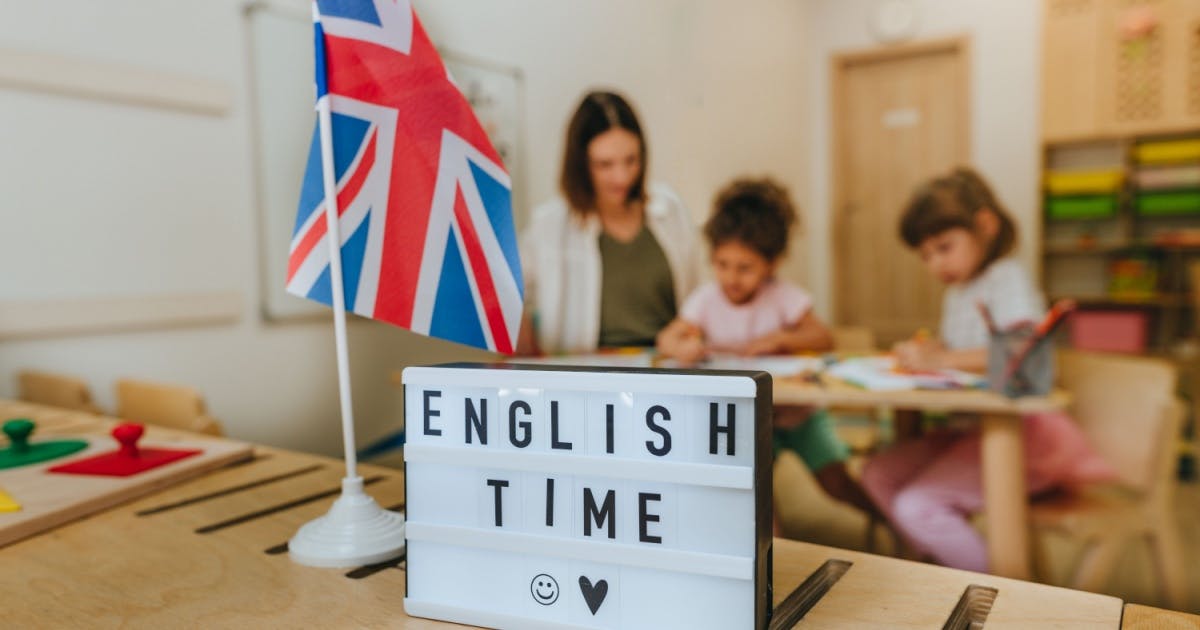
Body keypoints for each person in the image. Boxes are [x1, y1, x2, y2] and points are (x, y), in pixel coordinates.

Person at [862, 167, 1113, 572]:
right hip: (972, 430)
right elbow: (965, 353)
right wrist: (933, 351)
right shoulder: (956, 292)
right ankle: (941, 568)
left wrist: (941, 359)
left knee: (918, 505)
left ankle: (994, 598)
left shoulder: (1005, 277)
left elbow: (1022, 352)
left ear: (985, 226)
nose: (935, 263)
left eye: (944, 247)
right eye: (925, 255)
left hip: (1023, 434)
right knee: (877, 473)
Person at [657, 177, 880, 528]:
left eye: (745, 268)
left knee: (837, 484)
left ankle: (889, 523)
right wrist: (682, 346)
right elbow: (668, 338)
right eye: (722, 264)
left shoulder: (782, 295)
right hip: (749, 420)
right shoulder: (705, 300)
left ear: (772, 264)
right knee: (756, 497)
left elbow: (823, 337)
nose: (731, 277)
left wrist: (780, 339)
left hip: (799, 415)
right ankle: (770, 560)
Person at [517, 90, 704, 355]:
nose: (622, 177)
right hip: (589, 379)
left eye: (631, 160)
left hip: (666, 368)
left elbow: (699, 301)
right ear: (581, 165)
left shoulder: (669, 209)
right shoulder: (549, 225)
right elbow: (508, 301)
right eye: (605, 165)